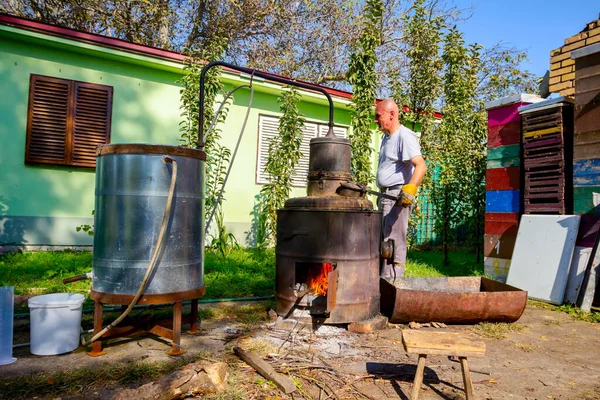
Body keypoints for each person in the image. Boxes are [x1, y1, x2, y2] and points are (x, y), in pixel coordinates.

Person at [374, 99, 427, 279]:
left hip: (396, 196)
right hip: (385, 195)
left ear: (392, 114)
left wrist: (409, 191)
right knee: (384, 242)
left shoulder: (404, 135)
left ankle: (393, 285)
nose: (375, 120)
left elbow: (421, 166)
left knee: (393, 243)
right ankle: (383, 284)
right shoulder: (386, 138)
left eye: (378, 116)